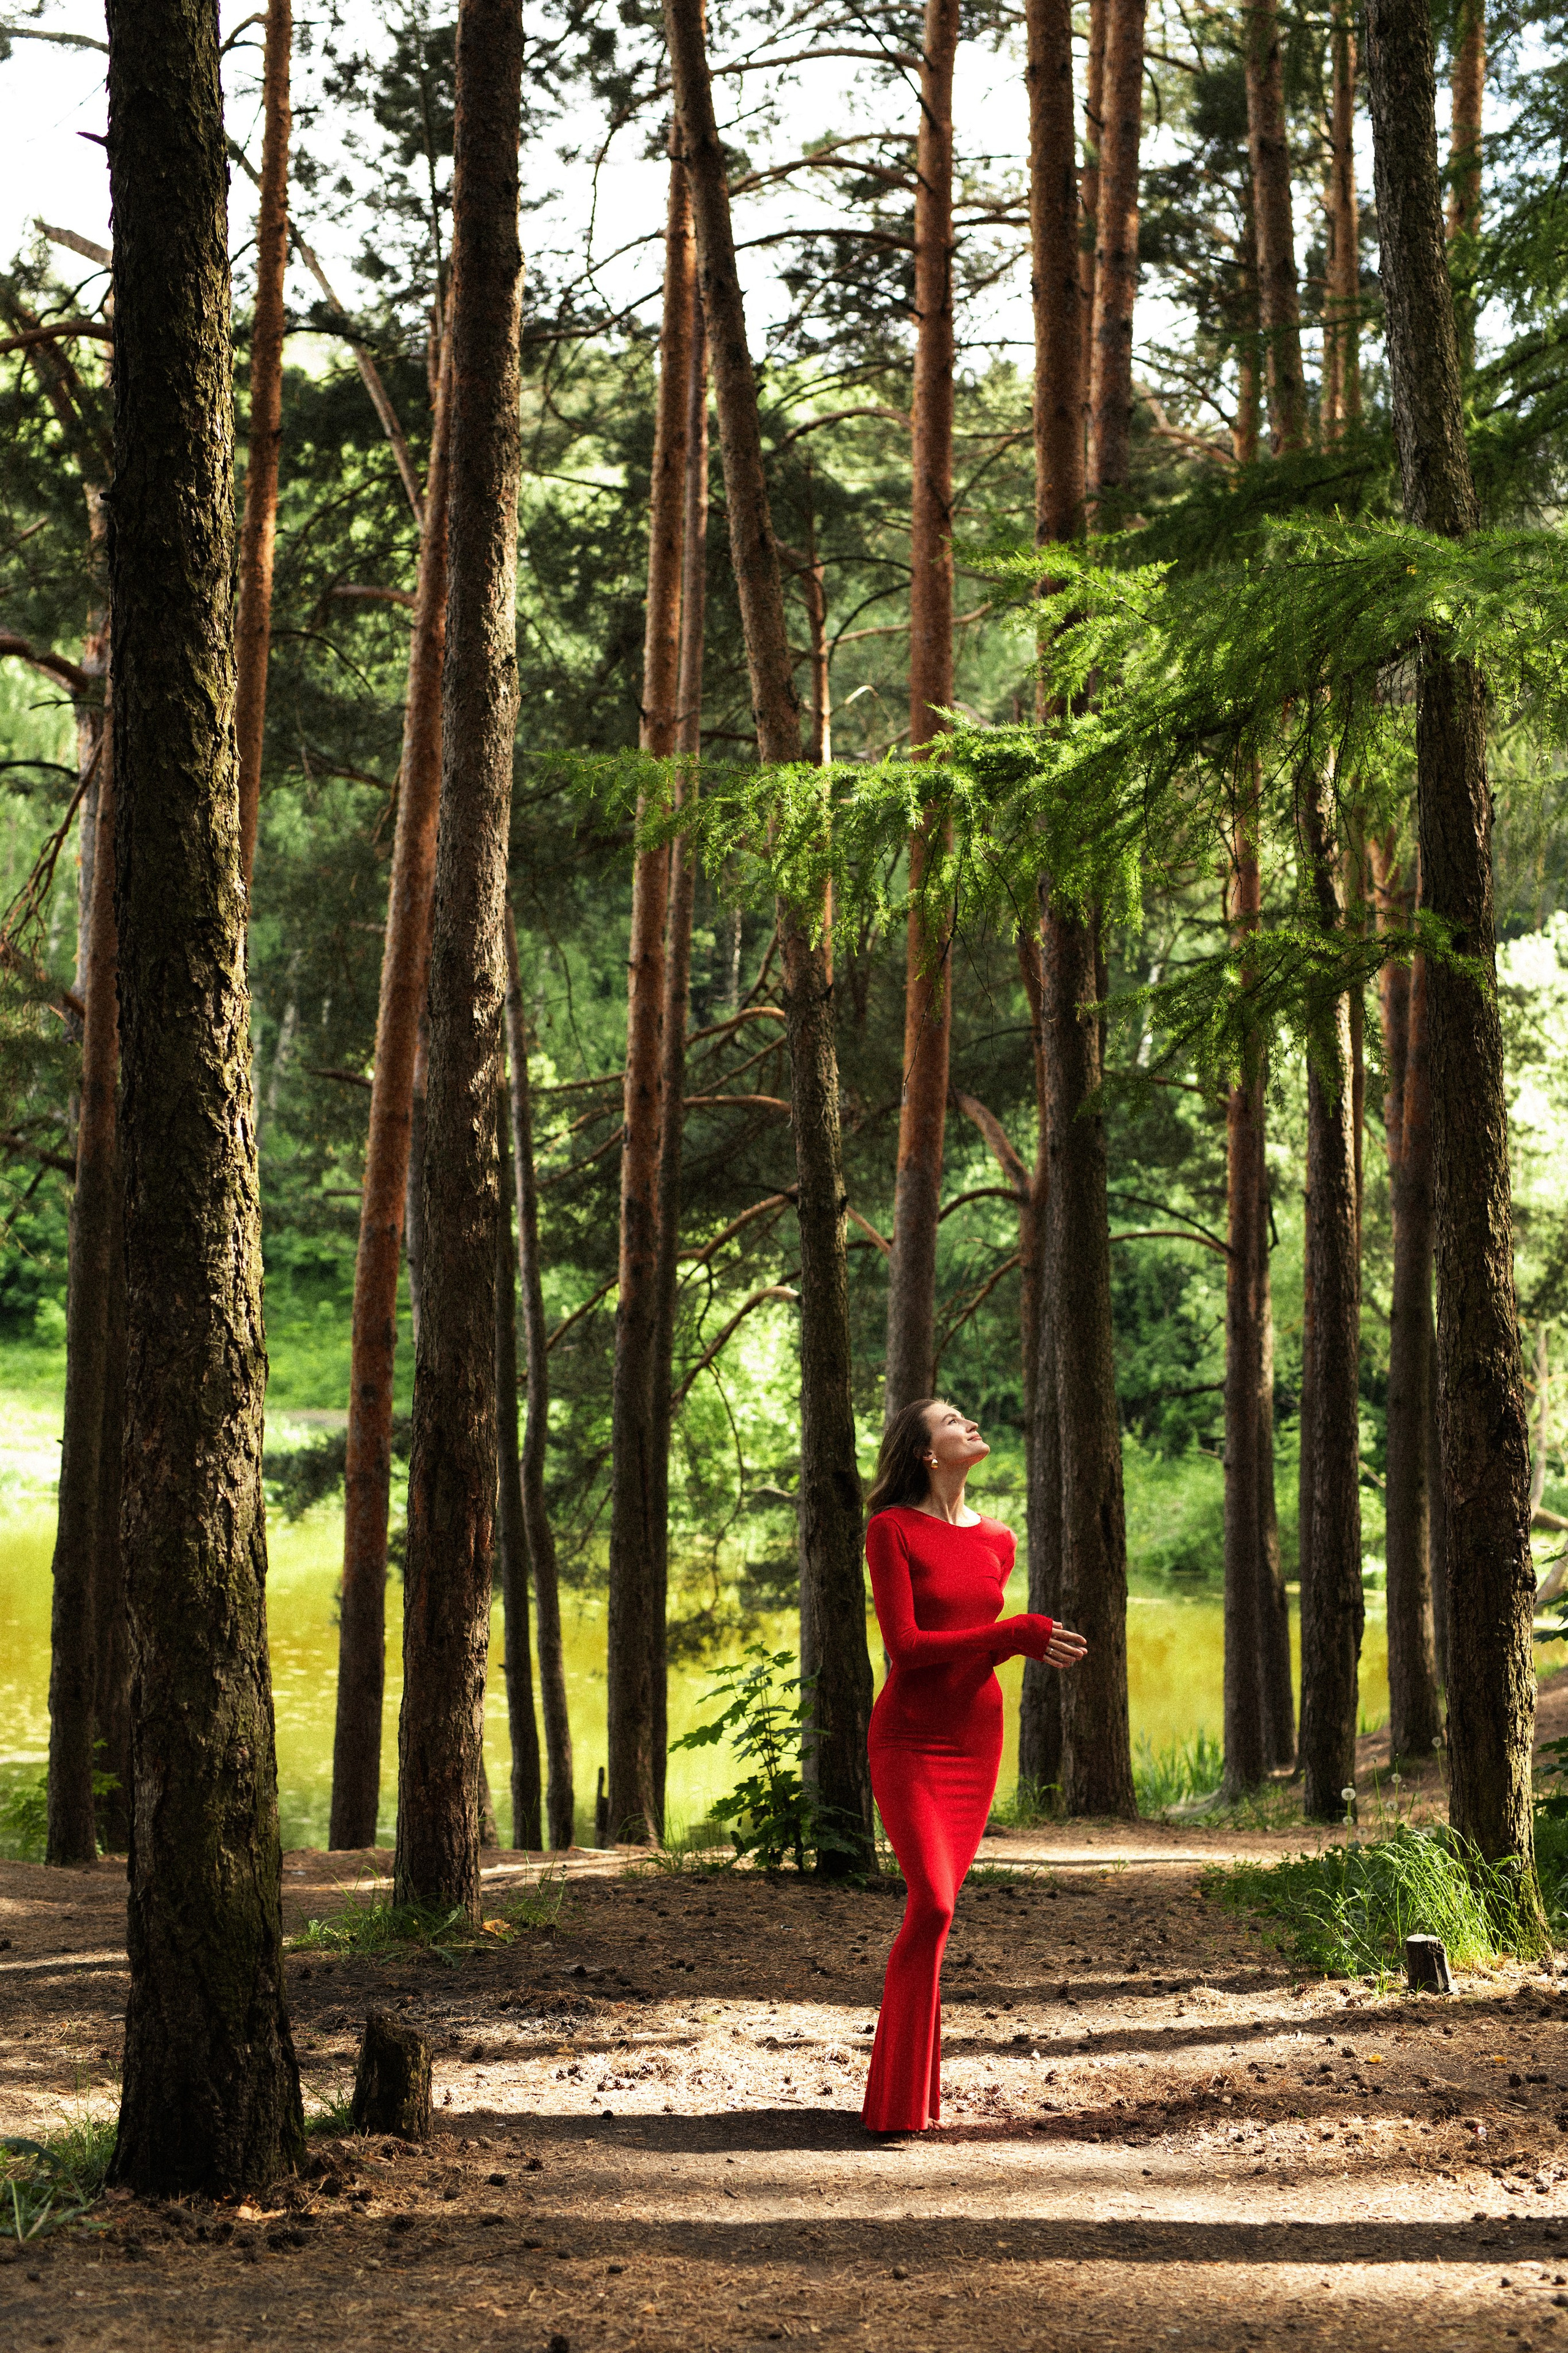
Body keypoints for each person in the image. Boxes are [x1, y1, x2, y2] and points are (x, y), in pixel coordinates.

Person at [859, 1396, 1087, 2134]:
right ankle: (897, 2098)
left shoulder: (998, 1538)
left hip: (974, 1740)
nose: (970, 1424)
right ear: (925, 1451)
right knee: (932, 1904)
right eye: (952, 1419)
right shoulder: (890, 1529)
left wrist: (1009, 1640)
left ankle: (908, 2102)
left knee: (937, 1916)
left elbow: (979, 1646)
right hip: (910, 1738)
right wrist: (1015, 1631)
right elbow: (908, 1647)